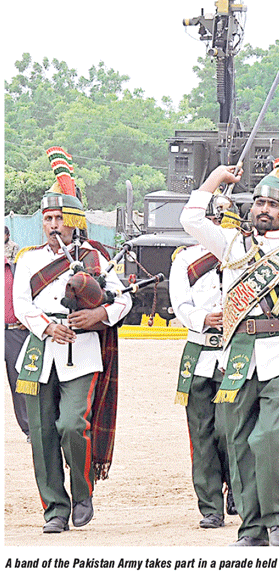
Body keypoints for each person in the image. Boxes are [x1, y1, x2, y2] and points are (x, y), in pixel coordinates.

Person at [180, 163, 279, 547]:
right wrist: (215, 178)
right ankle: (252, 528)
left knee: (269, 437)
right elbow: (190, 217)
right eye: (258, 202)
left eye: (271, 205)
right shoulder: (233, 245)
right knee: (238, 441)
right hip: (238, 359)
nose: (263, 209)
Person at [12, 147, 132, 533]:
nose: (52, 225)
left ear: (73, 222)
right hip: (40, 349)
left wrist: (100, 314)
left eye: (59, 218)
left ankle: (83, 492)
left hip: (82, 350)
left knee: (71, 425)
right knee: (42, 435)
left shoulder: (95, 256)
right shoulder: (29, 259)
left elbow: (124, 298)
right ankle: (55, 510)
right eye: (47, 218)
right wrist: (47, 327)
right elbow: (21, 305)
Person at [169, 209, 234, 529]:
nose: (214, 224)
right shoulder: (184, 260)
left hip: (233, 352)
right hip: (199, 350)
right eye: (209, 218)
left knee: (228, 429)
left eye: (220, 218)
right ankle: (210, 506)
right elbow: (179, 302)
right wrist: (201, 319)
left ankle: (235, 485)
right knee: (202, 433)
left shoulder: (239, 251)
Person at [5, 254, 31, 442]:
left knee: (20, 382)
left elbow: (31, 296)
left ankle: (30, 429)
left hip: (14, 333)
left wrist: (29, 318)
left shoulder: (15, 269)